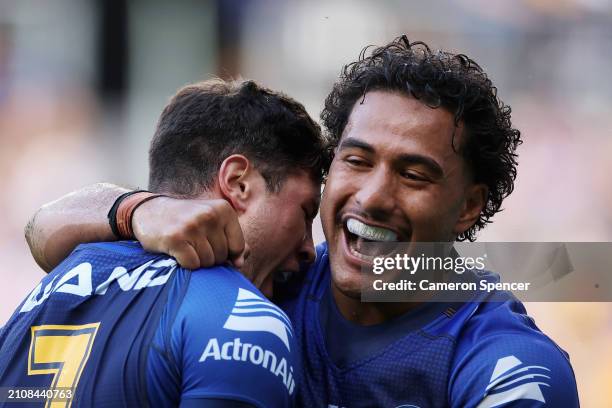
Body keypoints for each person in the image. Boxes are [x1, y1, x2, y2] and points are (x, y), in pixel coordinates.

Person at [23, 37, 579, 407]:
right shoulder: (272, 277)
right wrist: (140, 209)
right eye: (356, 161)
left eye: (414, 174)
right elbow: (46, 230)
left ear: (468, 206)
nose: (374, 196)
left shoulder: (505, 366)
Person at [0, 78, 328, 407]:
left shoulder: (38, 300)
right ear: (238, 183)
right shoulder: (245, 322)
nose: (309, 249)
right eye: (305, 212)